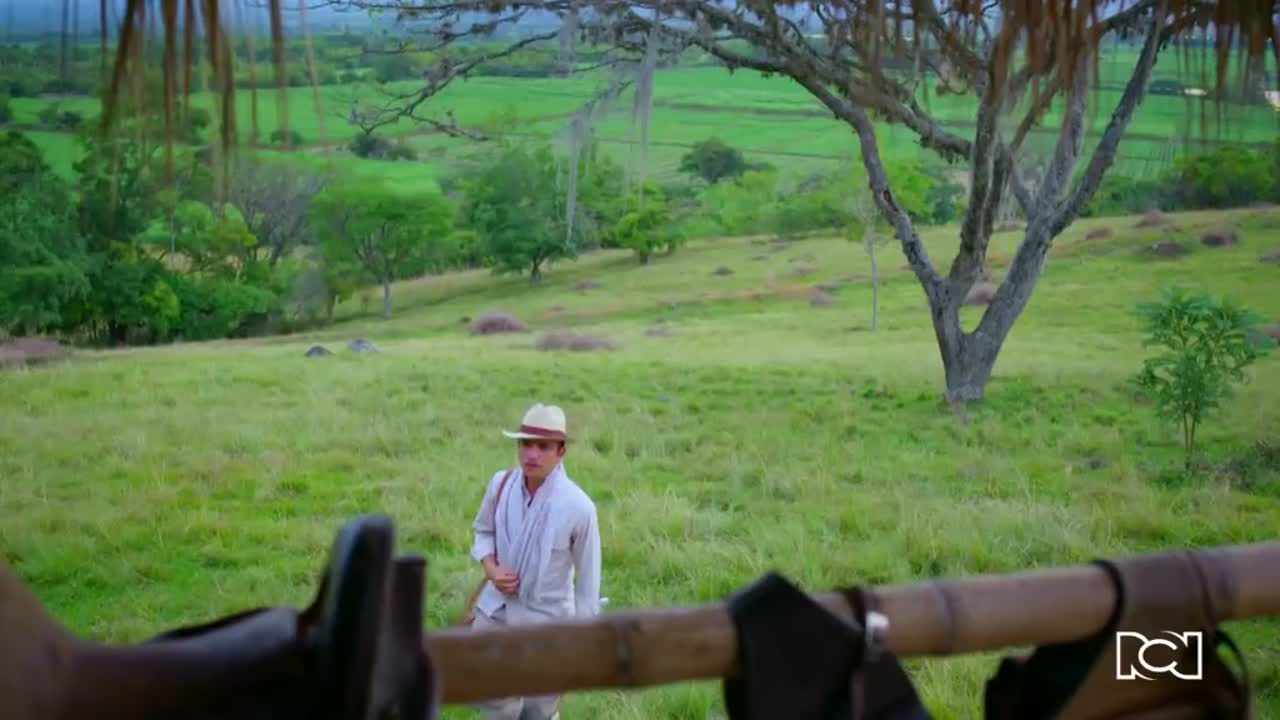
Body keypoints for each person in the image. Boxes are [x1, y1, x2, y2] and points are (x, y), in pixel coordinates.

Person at [468, 403, 603, 720]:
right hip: (495, 613)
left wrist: (580, 642)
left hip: (548, 622)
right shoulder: (501, 484)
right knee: (495, 700)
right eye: (526, 444)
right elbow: (483, 531)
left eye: (543, 447)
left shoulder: (579, 507)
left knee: (538, 710)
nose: (532, 455)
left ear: (561, 452)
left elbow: (588, 585)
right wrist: (491, 569)